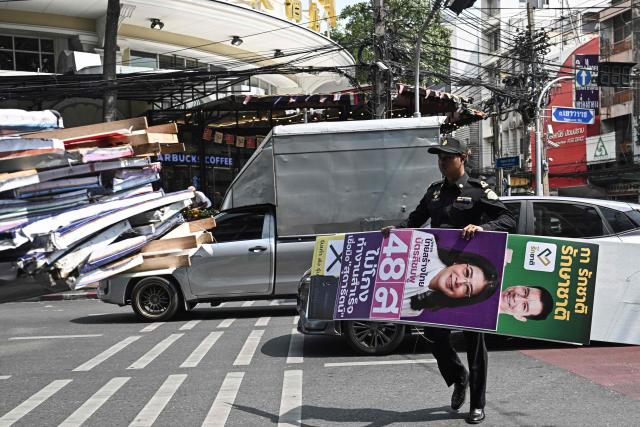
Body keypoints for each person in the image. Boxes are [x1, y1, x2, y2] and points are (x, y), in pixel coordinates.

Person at [383, 136, 515, 424]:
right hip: (438, 273)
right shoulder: (433, 193)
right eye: (439, 157)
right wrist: (397, 229)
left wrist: (481, 227)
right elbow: (415, 220)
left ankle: (477, 404)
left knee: (475, 343)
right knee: (434, 335)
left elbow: (508, 219)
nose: (442, 162)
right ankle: (459, 377)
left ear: (462, 158)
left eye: (447, 157)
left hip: (472, 278)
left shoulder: (479, 190)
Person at [401, 232, 500, 317]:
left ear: (462, 298)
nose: (459, 282)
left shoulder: (413, 310)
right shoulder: (426, 242)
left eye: (467, 289)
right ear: (459, 262)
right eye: (467, 273)